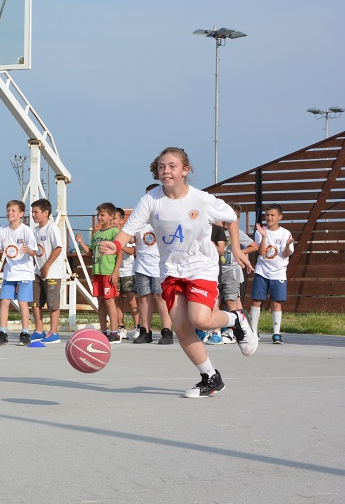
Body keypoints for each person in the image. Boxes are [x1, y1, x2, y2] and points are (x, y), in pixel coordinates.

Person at [100, 146, 259, 398]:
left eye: (172, 166)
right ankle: (210, 378)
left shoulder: (201, 199)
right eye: (162, 166)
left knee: (201, 320)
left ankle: (236, 319)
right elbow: (129, 228)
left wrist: (237, 249)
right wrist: (116, 244)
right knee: (182, 327)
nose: (166, 171)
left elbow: (230, 217)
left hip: (201, 267)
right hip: (170, 271)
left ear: (185, 170)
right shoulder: (151, 199)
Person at [0, 199, 37, 346]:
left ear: (21, 214)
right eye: (8, 210)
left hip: (25, 272)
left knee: (22, 303)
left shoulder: (26, 230)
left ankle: (25, 333)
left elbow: (35, 252)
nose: (10, 213)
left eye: (13, 211)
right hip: (10, 272)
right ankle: (3, 333)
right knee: (4, 301)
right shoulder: (2, 229)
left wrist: (29, 251)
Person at [131, 184, 173, 345]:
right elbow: (130, 237)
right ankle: (145, 331)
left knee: (160, 297)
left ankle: (167, 331)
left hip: (160, 265)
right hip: (141, 264)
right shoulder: (139, 219)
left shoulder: (165, 218)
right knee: (143, 298)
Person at [75, 202, 121, 342]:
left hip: (108, 271)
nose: (99, 218)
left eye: (102, 215)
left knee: (109, 301)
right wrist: (81, 242)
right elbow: (90, 253)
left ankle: (114, 331)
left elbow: (119, 253)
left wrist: (115, 271)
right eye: (98, 215)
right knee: (100, 302)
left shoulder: (115, 232)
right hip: (97, 272)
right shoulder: (96, 234)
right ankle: (103, 331)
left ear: (111, 216)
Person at [250, 204, 295, 344]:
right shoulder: (260, 231)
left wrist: (287, 245)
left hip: (279, 273)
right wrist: (264, 237)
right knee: (256, 300)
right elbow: (261, 252)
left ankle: (276, 334)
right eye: (267, 215)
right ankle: (253, 332)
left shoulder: (285, 233)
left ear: (280, 217)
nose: (269, 218)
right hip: (262, 271)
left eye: (272, 215)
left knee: (276, 303)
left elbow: (286, 254)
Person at [216, 203, 258, 344]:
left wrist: (238, 253)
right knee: (223, 301)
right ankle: (242, 328)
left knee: (231, 300)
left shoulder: (237, 233)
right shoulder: (216, 231)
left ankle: (232, 330)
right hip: (218, 271)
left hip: (231, 270)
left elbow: (254, 246)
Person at [29, 198, 63, 343]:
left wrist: (47, 266)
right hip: (38, 271)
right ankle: (39, 330)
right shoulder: (35, 231)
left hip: (52, 272)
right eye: (32, 212)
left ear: (46, 213)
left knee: (52, 303)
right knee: (36, 302)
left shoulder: (52, 228)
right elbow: (36, 251)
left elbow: (58, 248)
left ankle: (54, 332)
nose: (33, 215)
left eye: (36, 212)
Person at [114, 206, 138, 340]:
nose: (112, 220)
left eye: (115, 218)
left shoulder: (126, 234)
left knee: (132, 301)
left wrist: (118, 245)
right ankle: (121, 327)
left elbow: (132, 251)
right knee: (117, 302)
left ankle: (137, 327)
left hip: (128, 271)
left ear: (121, 221)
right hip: (115, 272)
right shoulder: (110, 233)